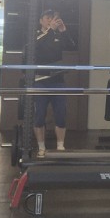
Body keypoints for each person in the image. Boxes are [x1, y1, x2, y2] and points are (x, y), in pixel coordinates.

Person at [32, 8, 75, 157]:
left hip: (58, 81)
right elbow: (36, 47)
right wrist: (50, 30)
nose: (51, 20)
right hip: (40, 82)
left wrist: (63, 31)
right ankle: (41, 147)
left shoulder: (56, 35)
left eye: (52, 18)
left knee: (61, 114)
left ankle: (60, 146)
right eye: (47, 18)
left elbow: (71, 46)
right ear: (41, 21)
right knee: (39, 115)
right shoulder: (36, 35)